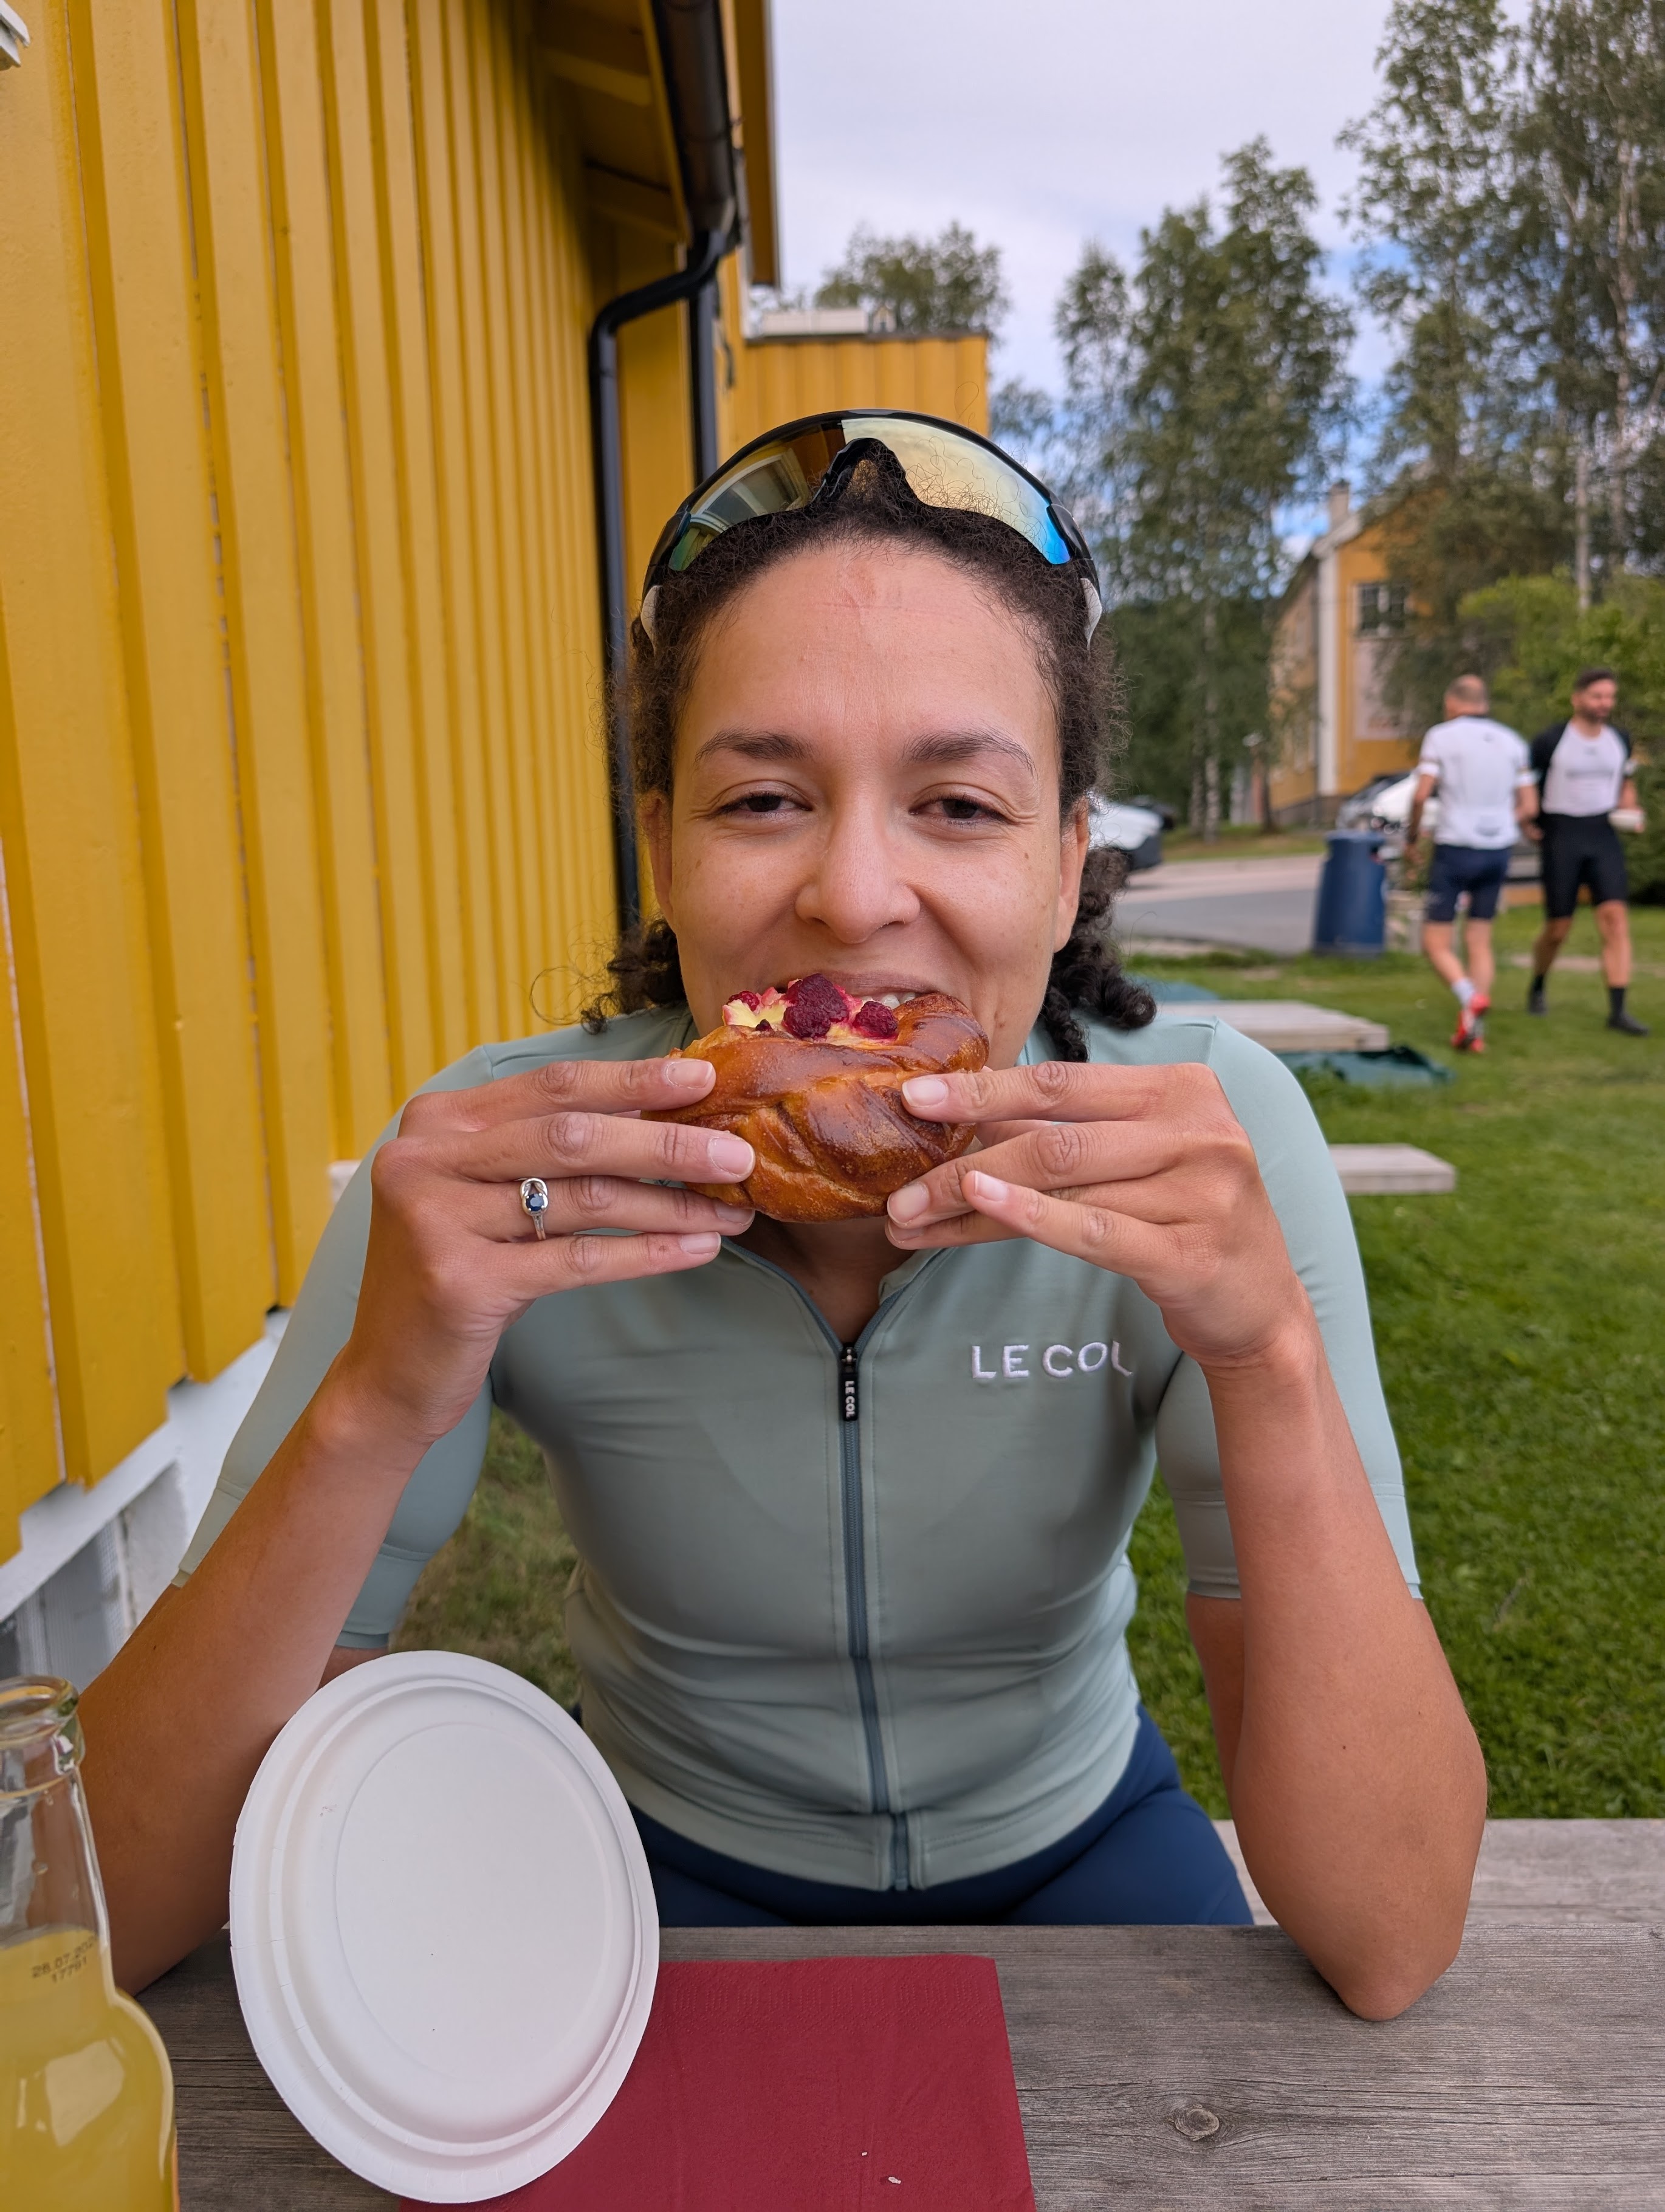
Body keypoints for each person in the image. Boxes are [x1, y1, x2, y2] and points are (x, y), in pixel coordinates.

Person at [80, 413, 1485, 2020]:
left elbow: (1386, 1934)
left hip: (1079, 1833)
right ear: (661, 849)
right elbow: (109, 1909)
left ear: (1064, 864)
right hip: (649, 1858)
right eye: (760, 798)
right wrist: (373, 1401)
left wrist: (1267, 1361)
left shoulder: (1201, 1138)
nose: (853, 895)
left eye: (958, 804)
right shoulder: (500, 1163)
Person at [1406, 675, 1537, 1053]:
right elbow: (1530, 806)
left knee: (1435, 942)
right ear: (1484, 704)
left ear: (1451, 703)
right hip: (1497, 849)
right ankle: (1474, 1033)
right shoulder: (1512, 740)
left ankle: (1469, 996)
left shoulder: (1441, 737)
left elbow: (1422, 794)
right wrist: (1503, 822)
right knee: (1480, 940)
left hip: (1456, 846)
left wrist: (1412, 838)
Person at [1526, 669, 1649, 1034]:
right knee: (1558, 928)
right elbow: (1527, 786)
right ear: (1577, 698)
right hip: (1561, 833)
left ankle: (1618, 1012)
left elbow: (1626, 782)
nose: (1604, 704)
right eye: (1597, 696)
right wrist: (1528, 824)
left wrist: (1632, 811)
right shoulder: (1551, 741)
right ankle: (1538, 984)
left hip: (1602, 833)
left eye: (1609, 697)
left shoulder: (1619, 739)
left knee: (1615, 919)